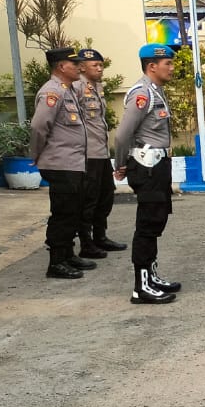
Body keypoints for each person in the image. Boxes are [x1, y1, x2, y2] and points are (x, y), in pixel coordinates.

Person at [111, 44, 179, 305]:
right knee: (147, 226)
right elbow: (122, 134)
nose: (172, 68)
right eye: (168, 64)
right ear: (152, 66)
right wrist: (120, 164)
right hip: (146, 166)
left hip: (157, 165)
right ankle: (141, 287)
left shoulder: (155, 91)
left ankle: (150, 276)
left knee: (156, 221)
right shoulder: (142, 94)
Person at [29, 47, 94, 280]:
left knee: (73, 212)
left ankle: (67, 254)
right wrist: (37, 155)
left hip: (72, 164)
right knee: (63, 214)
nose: (79, 67)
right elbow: (38, 127)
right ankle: (56, 262)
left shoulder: (67, 91)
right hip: (60, 164)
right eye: (73, 63)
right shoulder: (52, 92)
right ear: (60, 67)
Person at [75, 48, 126, 260]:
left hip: (101, 152)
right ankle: (86, 243)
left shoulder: (97, 87)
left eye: (101, 65)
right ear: (82, 67)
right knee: (89, 199)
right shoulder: (76, 87)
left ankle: (100, 236)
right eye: (95, 65)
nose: (100, 68)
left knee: (105, 196)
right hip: (87, 154)